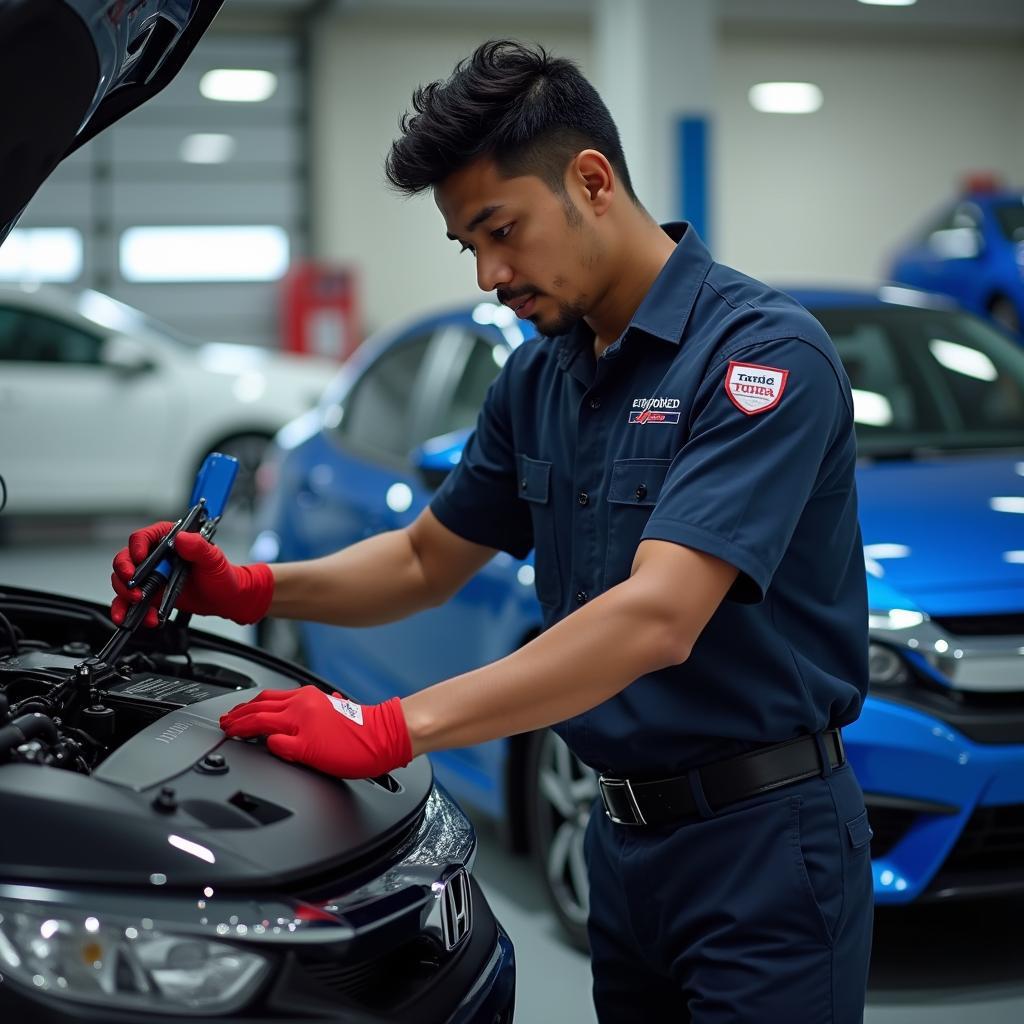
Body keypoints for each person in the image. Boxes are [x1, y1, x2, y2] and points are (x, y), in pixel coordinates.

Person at [111, 40, 873, 1023]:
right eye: (468, 246)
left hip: (766, 844)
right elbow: (428, 557)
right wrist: (253, 589)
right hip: (620, 842)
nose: (488, 273)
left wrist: (386, 726)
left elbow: (657, 618)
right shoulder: (540, 376)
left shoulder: (759, 358)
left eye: (499, 229)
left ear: (591, 181)